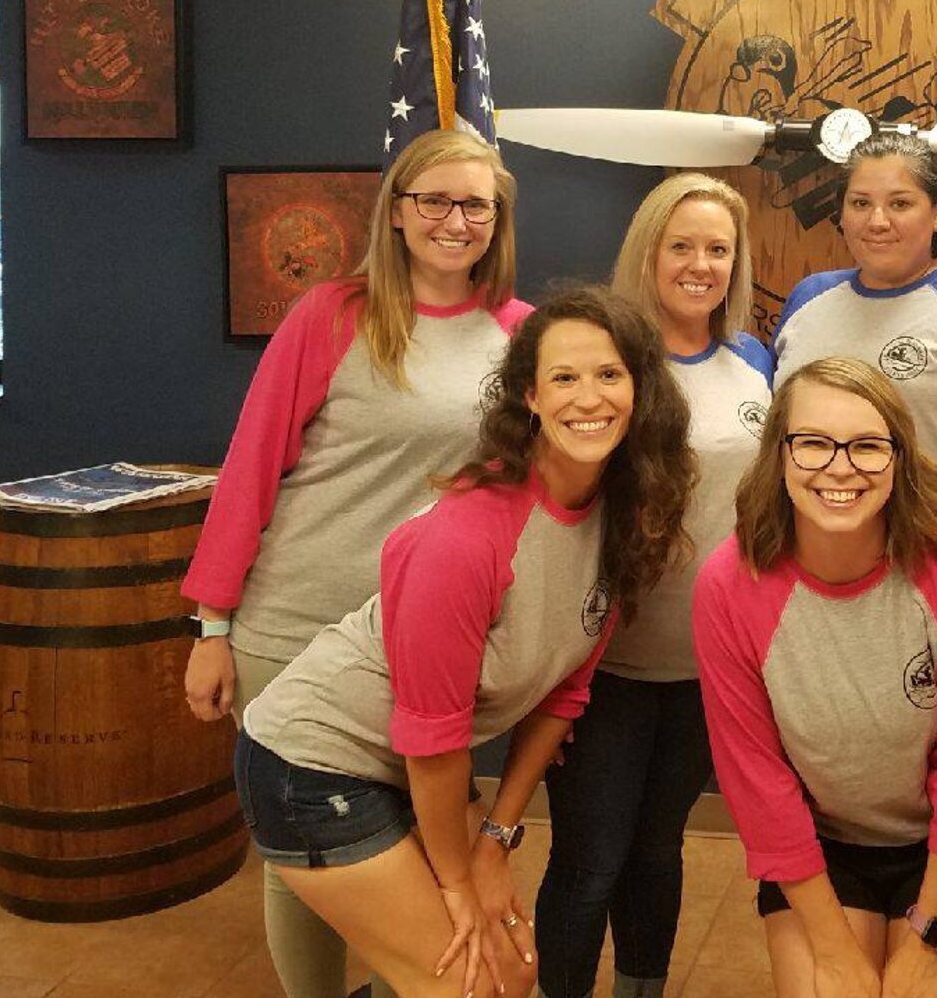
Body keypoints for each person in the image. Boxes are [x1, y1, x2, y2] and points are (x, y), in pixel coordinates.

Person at [234, 287, 697, 998]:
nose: (590, 397)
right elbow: (433, 738)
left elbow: (564, 694)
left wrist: (496, 840)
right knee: (480, 983)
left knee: (507, 974)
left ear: (640, 389)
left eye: (609, 374)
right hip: (313, 762)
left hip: (405, 766)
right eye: (564, 377)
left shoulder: (620, 514)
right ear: (529, 396)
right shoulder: (468, 534)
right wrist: (460, 880)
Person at [183, 127, 531, 998]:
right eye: (434, 201)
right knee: (304, 856)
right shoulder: (335, 314)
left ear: (499, 218)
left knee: (411, 840)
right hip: (294, 623)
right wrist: (213, 625)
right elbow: (252, 465)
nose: (456, 220)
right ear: (399, 213)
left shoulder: (524, 336)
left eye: (475, 204)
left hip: (418, 641)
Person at [695, 357, 937, 998]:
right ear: (778, 456)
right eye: (812, 443)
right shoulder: (730, 585)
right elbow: (757, 780)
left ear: (898, 457)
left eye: (868, 446)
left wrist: (929, 940)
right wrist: (837, 952)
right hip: (825, 842)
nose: (840, 467)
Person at [534, 174, 774, 998]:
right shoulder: (606, 360)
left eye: (718, 248)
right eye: (683, 245)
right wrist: (546, 676)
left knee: (657, 847)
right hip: (604, 671)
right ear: (649, 250)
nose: (701, 264)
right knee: (589, 861)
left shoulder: (754, 361)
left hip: (707, 669)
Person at [772, 132, 937, 543]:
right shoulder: (809, 298)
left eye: (900, 203)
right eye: (860, 203)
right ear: (841, 214)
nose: (878, 221)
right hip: (813, 562)